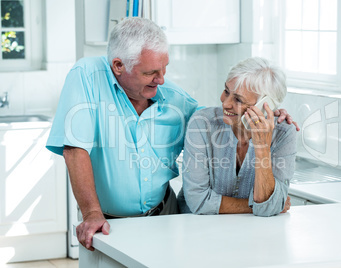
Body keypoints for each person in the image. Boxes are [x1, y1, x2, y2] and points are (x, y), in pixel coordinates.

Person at [46, 18, 298, 251]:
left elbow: (218, 120)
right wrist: (91, 213)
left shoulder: (176, 100)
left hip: (165, 218)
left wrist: (271, 112)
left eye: (165, 68)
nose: (162, 80)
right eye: (150, 73)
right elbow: (74, 149)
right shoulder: (87, 76)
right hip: (106, 223)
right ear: (119, 66)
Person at [178, 57, 296, 216]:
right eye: (226, 91)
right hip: (196, 228)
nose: (225, 103)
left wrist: (262, 146)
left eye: (238, 99)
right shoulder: (202, 123)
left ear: (264, 105)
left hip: (250, 232)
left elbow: (270, 207)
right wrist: (260, 206)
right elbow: (199, 201)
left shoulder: (283, 133)